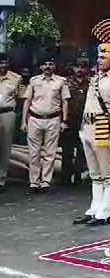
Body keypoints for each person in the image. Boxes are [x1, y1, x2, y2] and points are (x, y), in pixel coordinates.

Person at [74, 19, 110, 226]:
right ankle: (94, 208)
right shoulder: (96, 78)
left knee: (107, 172)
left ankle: (105, 211)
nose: (99, 59)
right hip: (87, 127)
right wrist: (82, 127)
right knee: (94, 172)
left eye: (103, 56)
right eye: (99, 56)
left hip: (103, 127)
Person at [21, 56, 70, 194]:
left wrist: (64, 121)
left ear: (54, 66)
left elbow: (65, 101)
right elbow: (27, 101)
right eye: (45, 64)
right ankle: (34, 182)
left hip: (53, 119)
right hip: (35, 118)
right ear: (41, 67)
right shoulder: (34, 81)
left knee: (50, 152)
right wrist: (23, 121)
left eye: (50, 64)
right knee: (33, 153)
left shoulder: (61, 81)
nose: (48, 67)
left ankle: (45, 182)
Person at [61, 59, 89, 186]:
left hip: (85, 119)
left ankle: (79, 174)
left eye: (82, 67)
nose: (79, 70)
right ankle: (66, 176)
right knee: (67, 149)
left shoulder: (91, 82)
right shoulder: (65, 82)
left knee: (83, 149)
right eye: (77, 67)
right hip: (69, 119)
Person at [0, 53, 20, 193]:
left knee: (5, 147)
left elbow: (20, 98)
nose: (3, 65)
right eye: (1, 63)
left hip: (7, 113)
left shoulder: (16, 78)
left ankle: (1, 179)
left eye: (5, 62)